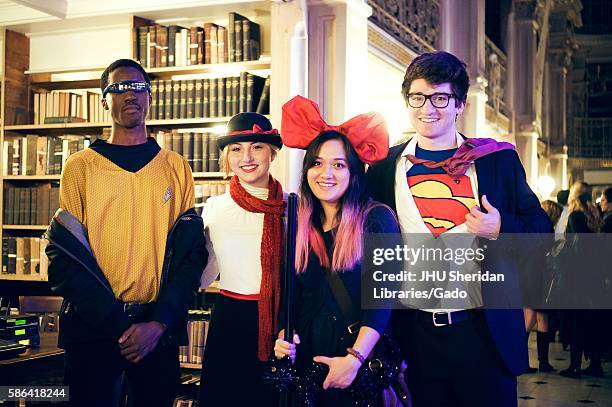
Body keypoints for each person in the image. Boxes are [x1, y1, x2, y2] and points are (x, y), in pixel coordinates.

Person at [365, 51, 552, 407]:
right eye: (417, 97)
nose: (427, 109)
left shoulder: (497, 161)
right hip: (415, 336)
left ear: (460, 104)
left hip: (482, 332)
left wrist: (501, 227)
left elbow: (541, 230)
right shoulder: (384, 168)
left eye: (440, 98)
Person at [45, 58, 207, 407]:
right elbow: (64, 260)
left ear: (150, 96)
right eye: (118, 87)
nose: (129, 94)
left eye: (137, 86)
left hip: (156, 330)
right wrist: (117, 325)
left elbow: (191, 256)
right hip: (93, 328)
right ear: (104, 100)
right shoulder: (80, 167)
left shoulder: (175, 167)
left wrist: (159, 323)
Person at [274, 95, 400, 406]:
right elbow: (294, 297)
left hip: (355, 364)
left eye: (338, 165)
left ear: (353, 173)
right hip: (307, 369)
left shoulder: (377, 219)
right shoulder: (300, 223)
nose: (325, 173)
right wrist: (282, 337)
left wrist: (354, 360)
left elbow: (383, 300)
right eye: (317, 163)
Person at [198, 112, 285, 406]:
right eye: (236, 149)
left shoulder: (293, 208)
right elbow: (204, 274)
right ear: (227, 157)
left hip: (280, 321)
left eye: (256, 146)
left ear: (271, 153)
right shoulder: (214, 208)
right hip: (230, 321)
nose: (246, 156)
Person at [560, 181, 604, 378]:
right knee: (592, 321)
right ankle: (595, 365)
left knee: (576, 320)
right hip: (595, 276)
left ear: (575, 195)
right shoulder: (595, 215)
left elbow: (575, 247)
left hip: (577, 276)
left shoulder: (575, 216)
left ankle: (575, 366)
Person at [523, 200, 563, 373]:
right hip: (541, 274)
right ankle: (543, 362)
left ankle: (526, 360)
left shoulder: (533, 226)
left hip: (530, 272)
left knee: (533, 316)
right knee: (539, 317)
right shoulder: (548, 229)